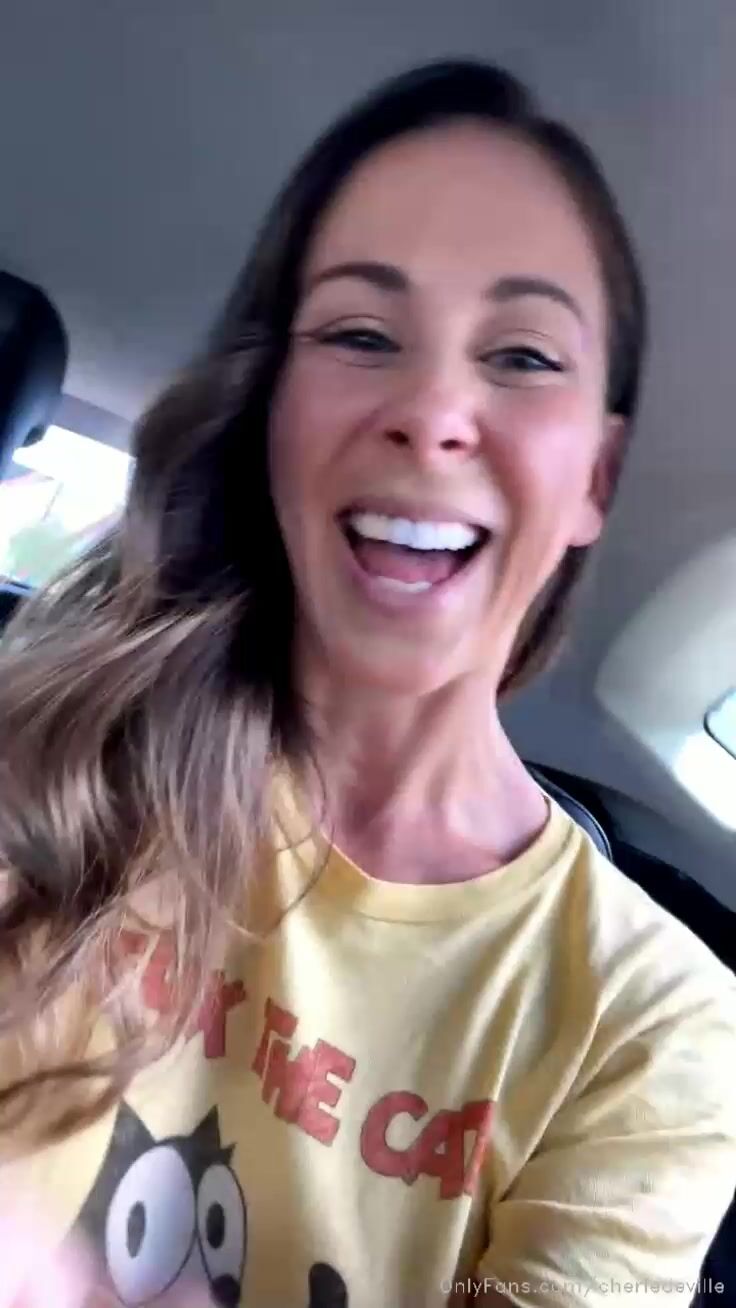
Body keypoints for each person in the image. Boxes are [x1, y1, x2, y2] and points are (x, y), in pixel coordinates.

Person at [0, 59, 734, 1308]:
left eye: (521, 354)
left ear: (594, 480)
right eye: (359, 334)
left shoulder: (657, 1023)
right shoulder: (52, 757)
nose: (433, 411)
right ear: (273, 416)